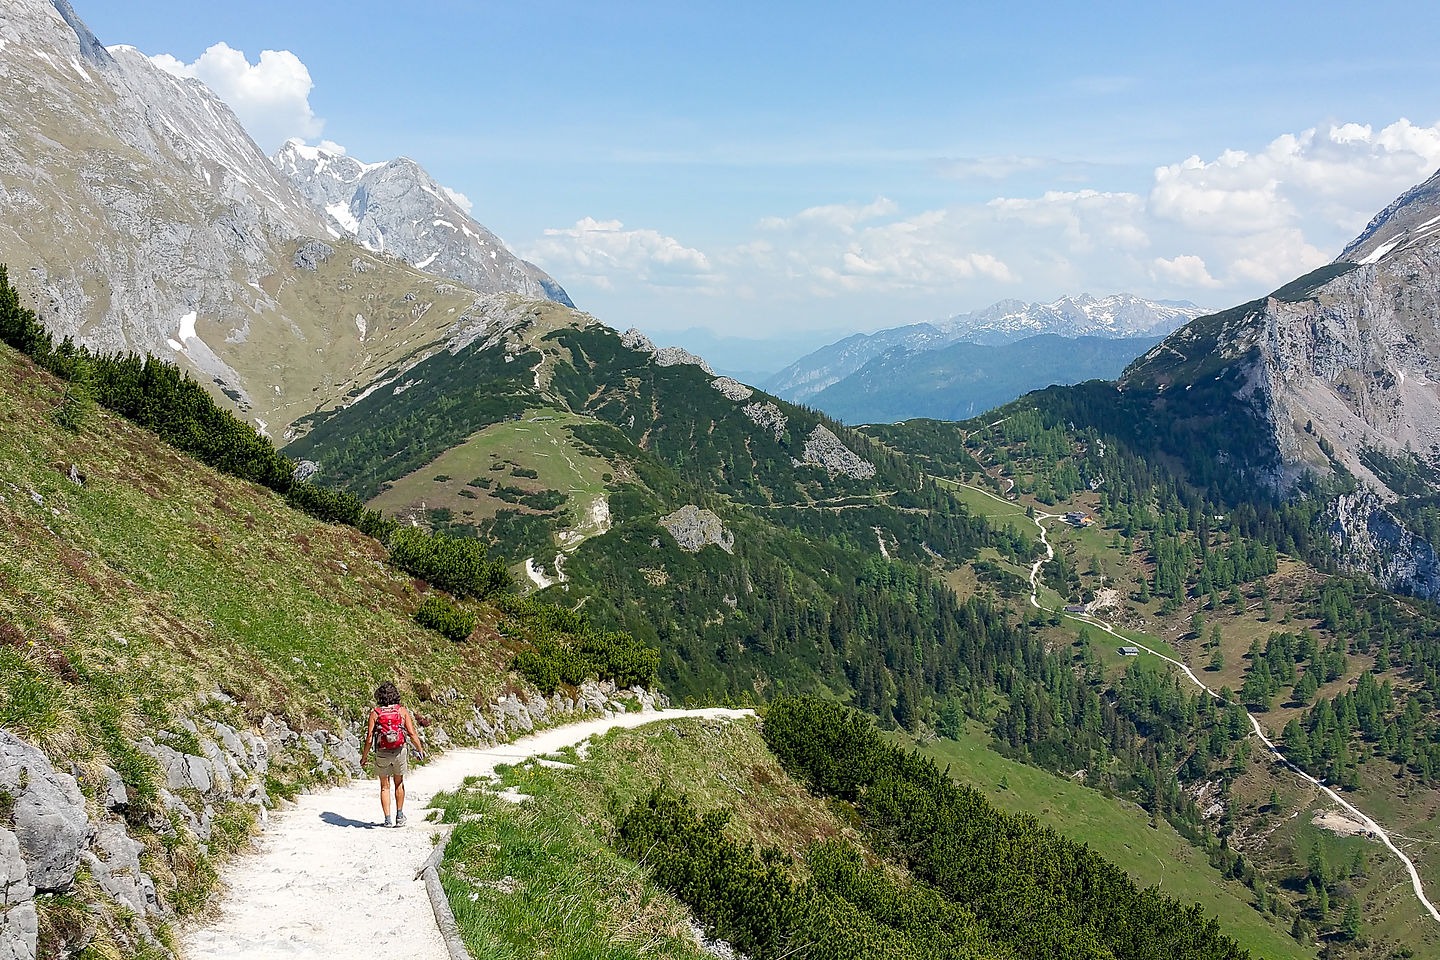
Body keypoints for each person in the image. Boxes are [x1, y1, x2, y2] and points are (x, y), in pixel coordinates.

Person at [359, 681, 426, 827]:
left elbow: (369, 738)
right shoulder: (402, 711)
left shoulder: (375, 713)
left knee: (384, 786)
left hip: (382, 752)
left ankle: (387, 819)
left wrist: (364, 757)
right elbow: (412, 734)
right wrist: (420, 750)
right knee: (399, 783)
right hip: (399, 751)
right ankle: (400, 816)